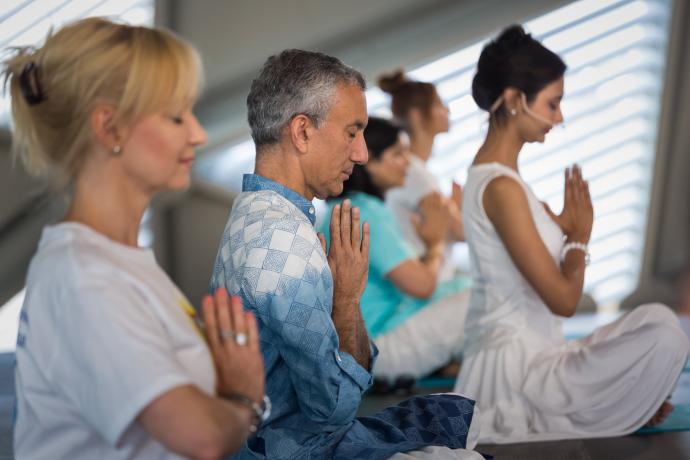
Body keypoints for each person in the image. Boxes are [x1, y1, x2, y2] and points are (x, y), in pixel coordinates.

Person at [6, 18, 267, 459]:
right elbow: (201, 437)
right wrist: (244, 399)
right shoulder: (85, 278)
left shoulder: (115, 262)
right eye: (176, 116)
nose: (198, 134)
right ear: (110, 129)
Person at [210, 49, 482, 460]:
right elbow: (332, 408)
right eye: (352, 132)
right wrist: (347, 299)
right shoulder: (285, 243)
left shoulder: (253, 214)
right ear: (301, 132)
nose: (361, 154)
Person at [454, 24, 690, 443]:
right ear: (513, 101)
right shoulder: (502, 188)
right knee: (665, 334)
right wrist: (579, 238)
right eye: (553, 103)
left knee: (658, 318)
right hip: (517, 377)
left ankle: (632, 400)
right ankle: (626, 402)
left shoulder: (505, 181)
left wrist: (561, 228)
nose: (559, 117)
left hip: (540, 358)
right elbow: (564, 301)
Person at [319, 117, 471, 382]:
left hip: (369, 340)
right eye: (398, 154)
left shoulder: (344, 208)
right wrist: (434, 242)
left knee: (466, 286)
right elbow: (422, 285)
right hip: (378, 347)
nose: (408, 163)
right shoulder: (364, 210)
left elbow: (413, 279)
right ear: (369, 160)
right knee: (483, 295)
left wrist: (430, 246)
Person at [380, 71, 464, 282]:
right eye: (438, 104)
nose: (447, 109)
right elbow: (461, 231)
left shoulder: (416, 171)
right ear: (416, 115)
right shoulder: (413, 172)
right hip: (430, 288)